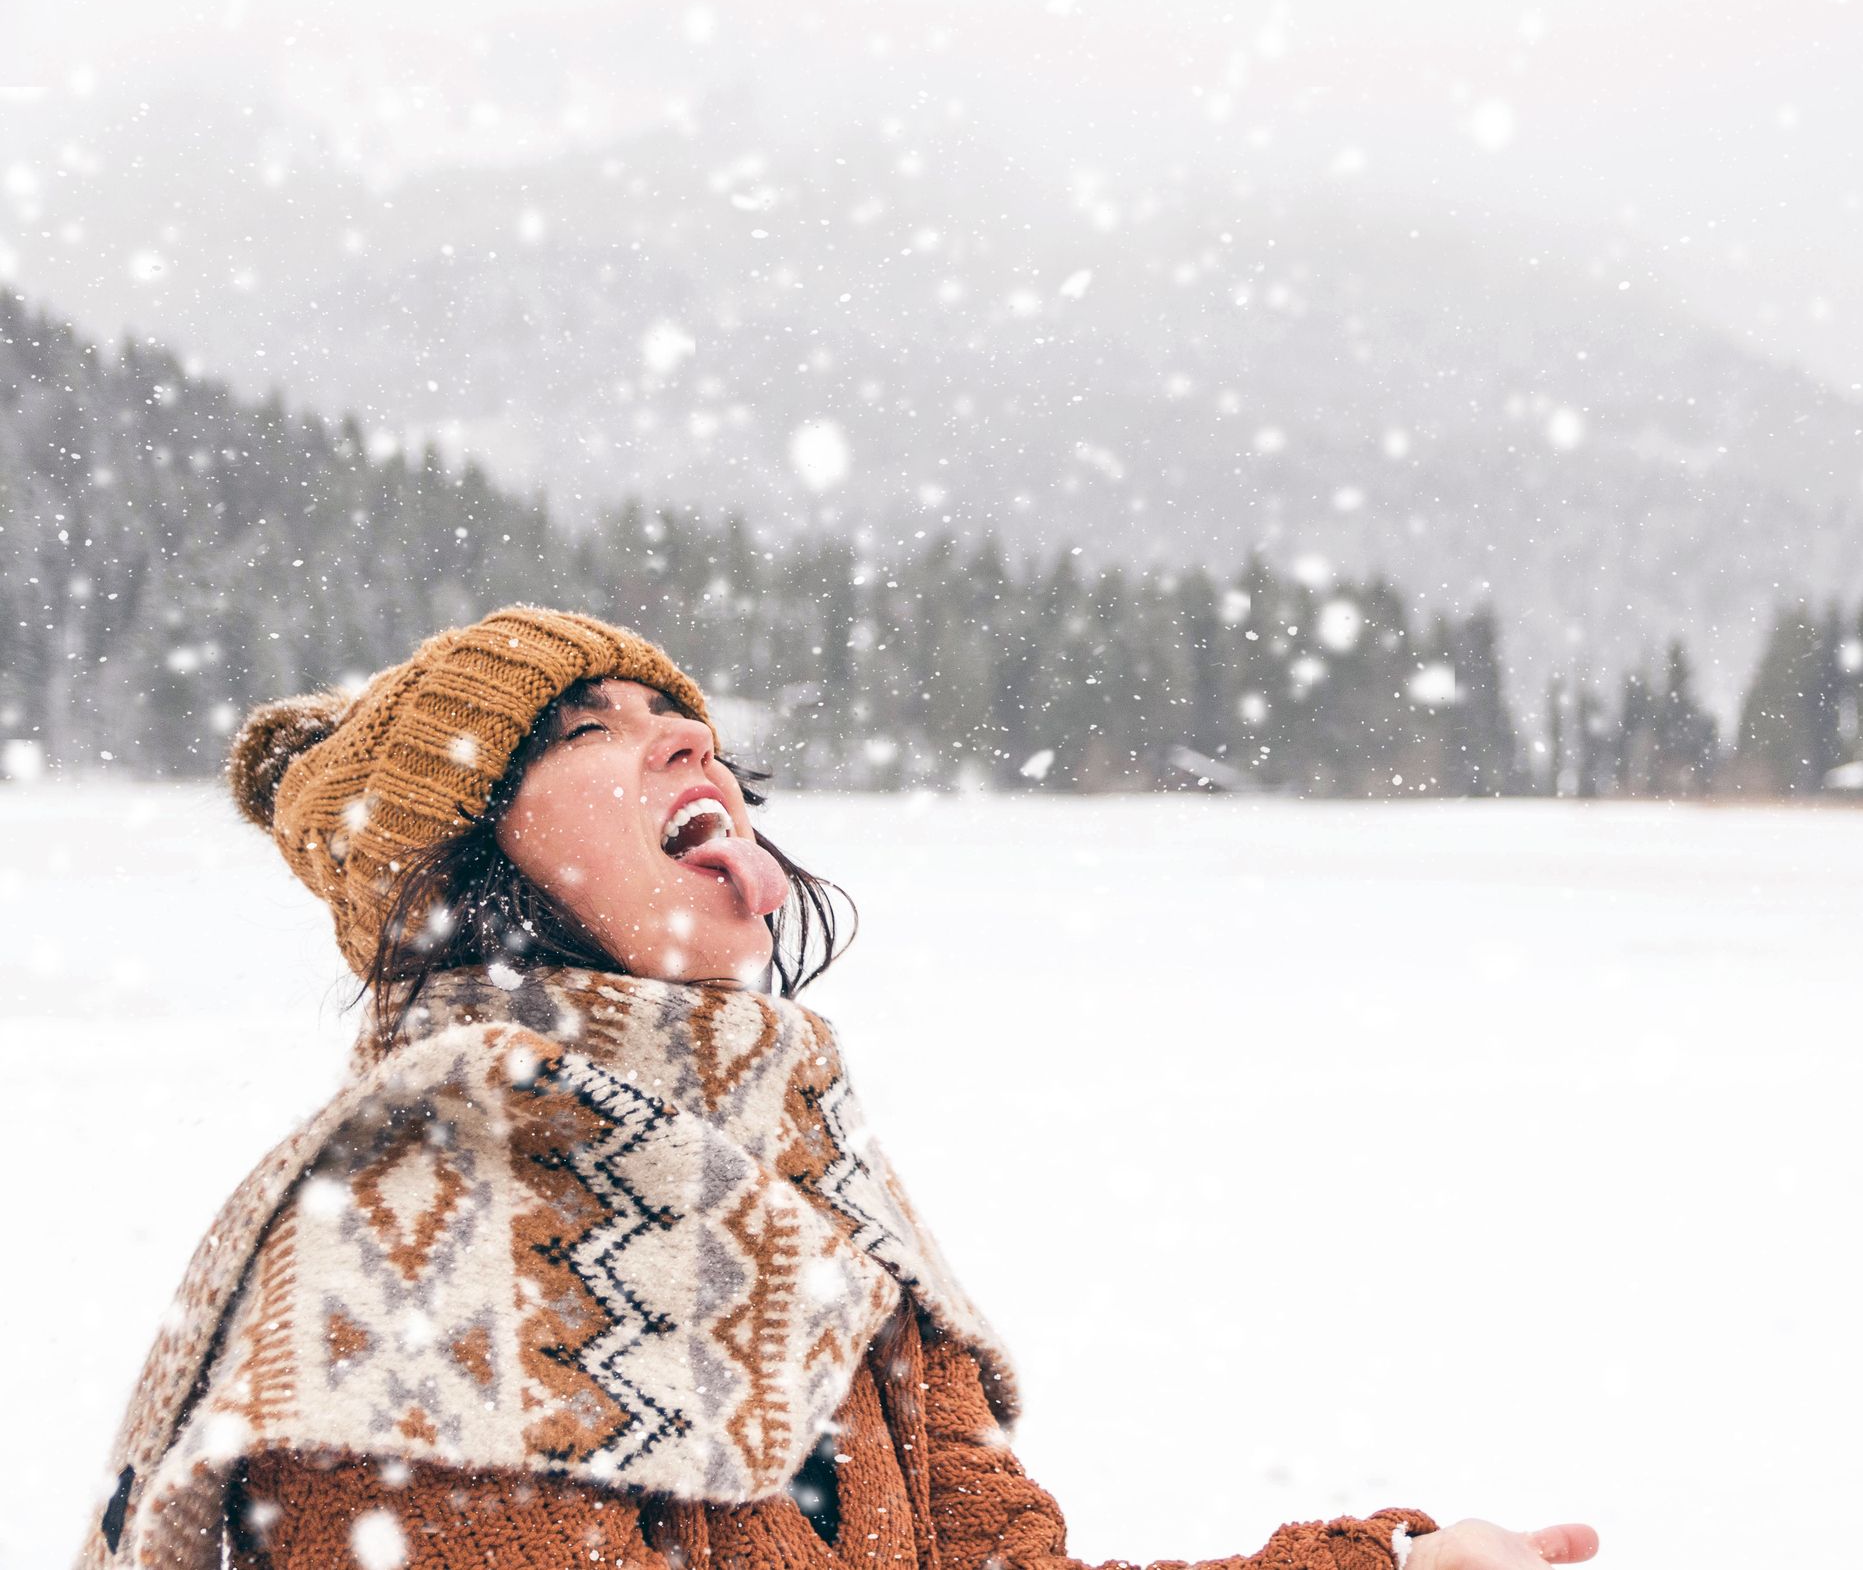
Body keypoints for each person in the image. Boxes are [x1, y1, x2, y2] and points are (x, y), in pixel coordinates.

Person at [76, 605, 1600, 1570]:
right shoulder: (414, 1251)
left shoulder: (824, 1209)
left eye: (698, 733)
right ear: (462, 870)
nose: (690, 742)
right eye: (580, 731)